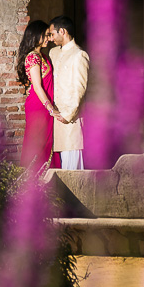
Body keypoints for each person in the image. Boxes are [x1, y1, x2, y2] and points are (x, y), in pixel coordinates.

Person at [14, 20, 59, 171]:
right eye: (46, 35)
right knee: (37, 144)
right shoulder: (33, 57)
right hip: (39, 106)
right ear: (36, 35)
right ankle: (33, 185)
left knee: (46, 144)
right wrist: (51, 109)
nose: (48, 38)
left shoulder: (42, 55)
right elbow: (38, 87)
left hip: (44, 105)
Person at [48, 15, 90, 170]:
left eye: (52, 34)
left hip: (69, 120)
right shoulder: (53, 53)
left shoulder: (79, 55)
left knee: (72, 168)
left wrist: (68, 115)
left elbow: (80, 88)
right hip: (53, 118)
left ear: (63, 31)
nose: (51, 38)